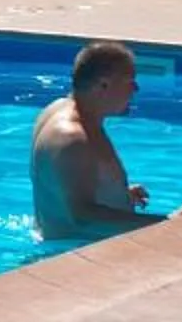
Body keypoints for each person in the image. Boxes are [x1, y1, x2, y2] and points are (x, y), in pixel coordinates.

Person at [29, 41, 159, 240]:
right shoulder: (73, 138)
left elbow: (64, 189)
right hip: (76, 251)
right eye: (129, 81)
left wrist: (118, 194)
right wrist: (169, 223)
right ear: (103, 85)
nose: (136, 88)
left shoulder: (58, 109)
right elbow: (82, 218)